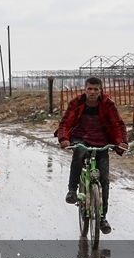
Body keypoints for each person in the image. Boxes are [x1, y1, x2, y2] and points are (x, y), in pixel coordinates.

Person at [55, 77, 128, 234]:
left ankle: (102, 218)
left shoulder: (108, 104)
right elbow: (65, 123)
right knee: (79, 153)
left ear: (101, 90)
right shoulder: (76, 103)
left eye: (96, 89)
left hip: (102, 141)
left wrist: (122, 142)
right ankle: (72, 190)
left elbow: (118, 124)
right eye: (90, 89)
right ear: (85, 89)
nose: (92, 92)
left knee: (104, 179)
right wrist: (64, 139)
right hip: (80, 138)